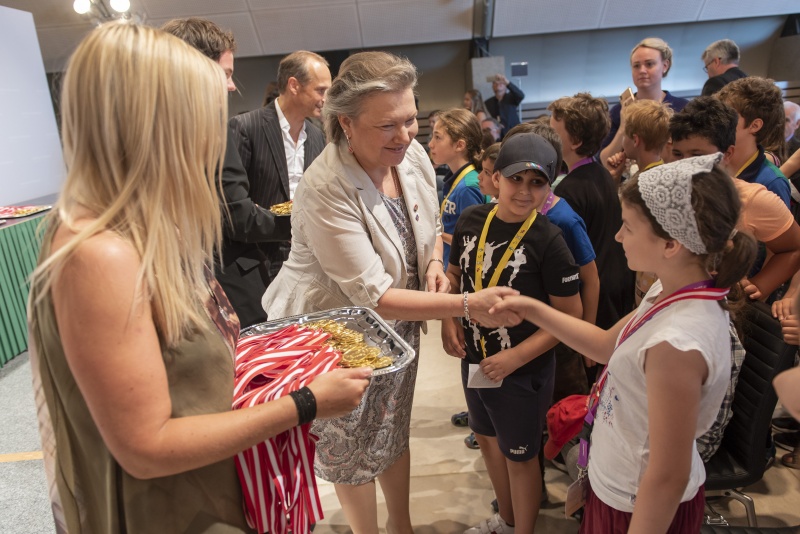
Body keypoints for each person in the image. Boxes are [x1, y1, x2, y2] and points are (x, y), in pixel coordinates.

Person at [26, 22, 371, 533]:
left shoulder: (138, 228)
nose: (214, 133)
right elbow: (147, 447)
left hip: (203, 492)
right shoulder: (102, 254)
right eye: (202, 112)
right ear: (156, 122)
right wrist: (304, 403)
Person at [261, 51, 515, 534]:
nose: (405, 135)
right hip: (334, 333)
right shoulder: (325, 187)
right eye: (388, 126)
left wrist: (437, 265)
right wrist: (464, 305)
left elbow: (428, 225)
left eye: (411, 119)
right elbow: (373, 295)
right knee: (350, 443)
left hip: (396, 327)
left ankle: (400, 525)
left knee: (392, 428)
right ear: (346, 125)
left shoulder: (410, 155)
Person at [489, 154, 758, 533]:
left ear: (670, 244)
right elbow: (603, 345)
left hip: (637, 505)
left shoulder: (677, 344)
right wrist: (531, 308)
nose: (617, 237)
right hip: (616, 481)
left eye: (628, 228)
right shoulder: (670, 286)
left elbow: (667, 477)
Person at [443, 133, 583, 534]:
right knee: (487, 439)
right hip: (476, 360)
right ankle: (506, 519)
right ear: (495, 177)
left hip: (523, 371)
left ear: (548, 186)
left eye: (537, 183)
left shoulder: (549, 241)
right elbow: (455, 276)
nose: (524, 191)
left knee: (521, 457)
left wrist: (514, 358)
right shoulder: (472, 221)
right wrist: (447, 320)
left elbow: (568, 318)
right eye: (515, 179)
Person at [160, 19, 290, 330]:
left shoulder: (157, 130)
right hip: (228, 282)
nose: (232, 86)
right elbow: (237, 216)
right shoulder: (213, 128)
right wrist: (300, 221)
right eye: (227, 74)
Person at [226, 50, 331, 324]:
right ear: (294, 85)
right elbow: (235, 208)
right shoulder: (245, 127)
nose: (326, 99)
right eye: (320, 90)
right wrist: (296, 222)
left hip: (305, 263)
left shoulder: (319, 137)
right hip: (256, 264)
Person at [549, 93, 635, 342]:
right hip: (617, 280)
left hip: (596, 293)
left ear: (574, 140)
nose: (549, 138)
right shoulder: (600, 173)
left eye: (554, 132)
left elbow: (573, 259)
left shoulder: (570, 189)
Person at [599, 37, 689, 165]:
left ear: (665, 65)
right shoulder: (618, 111)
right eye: (636, 66)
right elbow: (605, 160)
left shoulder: (683, 108)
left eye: (649, 64)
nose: (642, 70)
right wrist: (624, 126)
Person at [715, 77, 791, 207]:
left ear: (755, 125)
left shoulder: (772, 183)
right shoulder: (711, 164)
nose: (717, 121)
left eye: (727, 116)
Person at [430, 108, 487, 261]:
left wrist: (435, 235)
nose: (431, 144)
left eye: (437, 138)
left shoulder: (469, 186)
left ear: (459, 145)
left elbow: (474, 240)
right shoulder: (459, 179)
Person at [485, 74, 525, 138]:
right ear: (492, 87)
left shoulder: (511, 97)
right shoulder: (488, 102)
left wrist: (507, 82)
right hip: (499, 135)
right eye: (495, 83)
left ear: (505, 86)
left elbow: (521, 95)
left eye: (501, 82)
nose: (498, 83)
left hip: (514, 132)